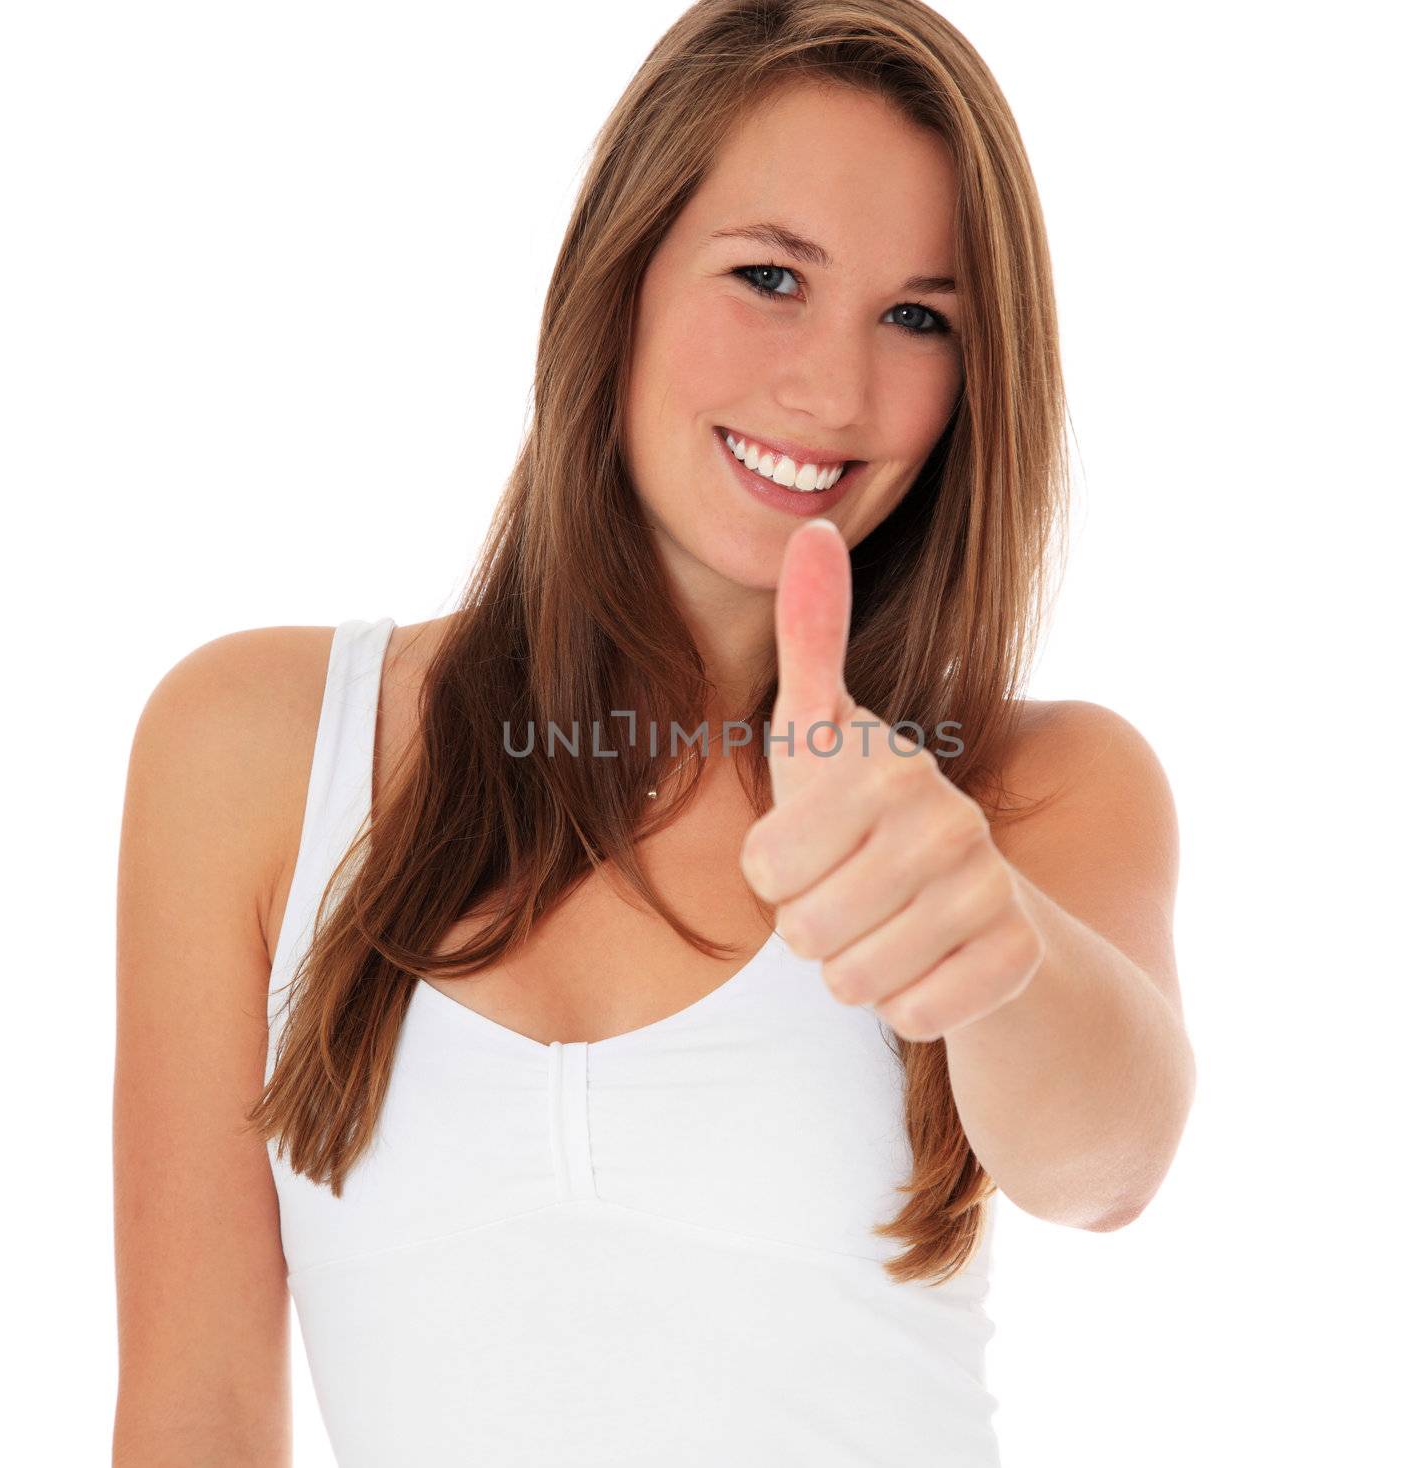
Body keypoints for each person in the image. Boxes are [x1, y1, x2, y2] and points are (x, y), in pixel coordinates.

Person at [112, 1, 1195, 1462]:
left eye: (919, 317)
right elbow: (194, 1418)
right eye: (768, 276)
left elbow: (1107, 1164)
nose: (833, 387)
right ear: (617, 276)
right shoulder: (250, 751)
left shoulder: (1032, 788)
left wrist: (984, 936)